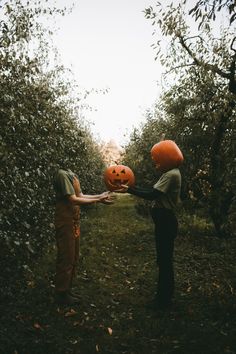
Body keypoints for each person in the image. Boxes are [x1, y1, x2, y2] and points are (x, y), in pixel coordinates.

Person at [117, 142, 182, 310]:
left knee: (165, 260)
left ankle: (163, 301)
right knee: (163, 259)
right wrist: (131, 188)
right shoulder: (171, 173)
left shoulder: (171, 175)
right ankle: (163, 297)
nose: (155, 163)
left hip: (166, 222)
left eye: (157, 159)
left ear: (166, 157)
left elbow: (152, 194)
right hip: (164, 221)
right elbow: (152, 192)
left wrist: (130, 189)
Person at [53, 168, 114, 305]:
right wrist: (98, 199)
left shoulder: (71, 174)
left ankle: (67, 289)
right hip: (65, 221)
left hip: (73, 220)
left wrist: (99, 196)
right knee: (66, 257)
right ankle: (61, 293)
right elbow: (73, 200)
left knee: (73, 255)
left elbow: (80, 195)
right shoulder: (62, 175)